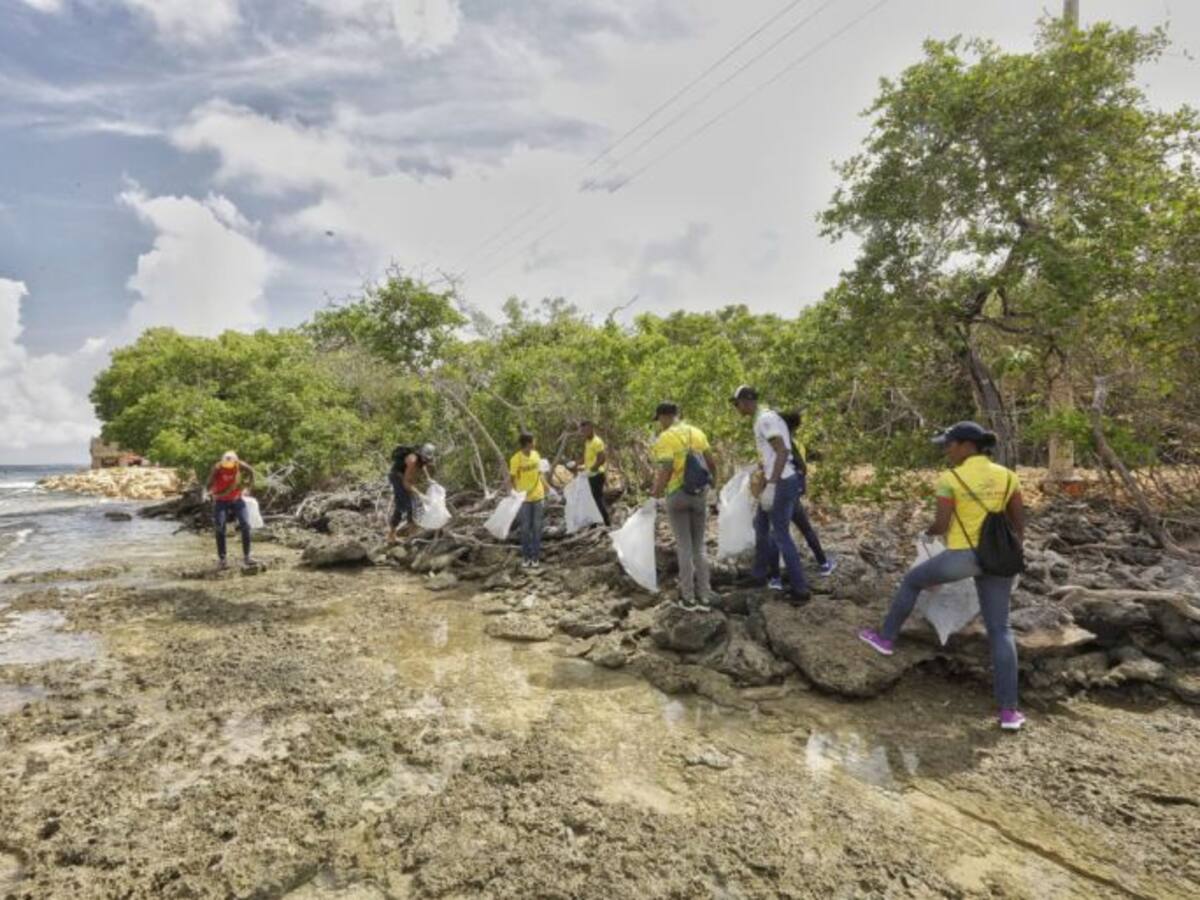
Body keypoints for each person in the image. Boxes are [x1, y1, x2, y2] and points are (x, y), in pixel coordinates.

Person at [858, 421, 1027, 731]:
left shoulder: (951, 478)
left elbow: (942, 524)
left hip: (963, 557)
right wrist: (1008, 550)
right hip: (1000, 559)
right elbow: (1018, 522)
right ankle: (1009, 712)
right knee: (1001, 630)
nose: (947, 450)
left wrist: (926, 533)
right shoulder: (1008, 476)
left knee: (912, 580)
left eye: (949, 445)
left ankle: (885, 638)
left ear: (966, 445)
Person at [732, 386, 811, 605]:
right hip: (778, 479)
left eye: (736, 403)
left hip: (782, 482)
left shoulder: (765, 419)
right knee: (761, 526)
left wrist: (773, 483)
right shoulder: (766, 417)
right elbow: (774, 452)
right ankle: (759, 574)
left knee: (781, 535)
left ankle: (800, 589)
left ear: (746, 401)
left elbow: (782, 451)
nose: (736, 408)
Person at [650, 402, 718, 611]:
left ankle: (688, 597)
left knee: (684, 546)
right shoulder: (697, 433)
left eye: (659, 419)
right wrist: (714, 483)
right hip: (699, 494)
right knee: (699, 547)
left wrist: (656, 492)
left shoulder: (665, 437)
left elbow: (667, 468)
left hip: (677, 495)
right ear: (678, 414)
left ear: (663, 417)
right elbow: (710, 462)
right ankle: (705, 595)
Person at [775, 410, 835, 578]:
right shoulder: (796, 444)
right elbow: (803, 468)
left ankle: (780, 575)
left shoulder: (779, 444)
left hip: (782, 491)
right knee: (804, 528)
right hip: (794, 491)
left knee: (780, 533)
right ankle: (823, 563)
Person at [206, 451, 257, 570]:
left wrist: (249, 485)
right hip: (221, 500)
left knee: (245, 525)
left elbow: (251, 471)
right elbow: (209, 481)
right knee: (220, 527)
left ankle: (247, 556)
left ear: (235, 461)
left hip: (237, 499)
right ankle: (222, 559)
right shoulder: (217, 467)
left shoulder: (239, 465)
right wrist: (207, 492)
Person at [508, 432, 550, 569]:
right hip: (524, 499)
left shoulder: (536, 455)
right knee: (525, 529)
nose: (535, 443)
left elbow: (540, 474)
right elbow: (512, 479)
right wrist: (514, 493)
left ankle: (535, 557)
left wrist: (548, 487)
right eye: (533, 441)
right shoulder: (516, 459)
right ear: (527, 443)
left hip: (538, 496)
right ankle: (526, 558)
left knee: (537, 528)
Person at [387, 443, 435, 544]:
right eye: (424, 458)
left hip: (405, 477)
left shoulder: (421, 459)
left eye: (427, 459)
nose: (425, 460)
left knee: (401, 505)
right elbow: (406, 483)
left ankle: (392, 536)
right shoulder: (412, 460)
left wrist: (428, 478)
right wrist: (420, 494)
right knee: (409, 505)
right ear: (420, 454)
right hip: (396, 476)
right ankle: (412, 536)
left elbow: (423, 465)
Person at [577, 420, 611, 527]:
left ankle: (607, 523)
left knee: (598, 499)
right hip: (590, 475)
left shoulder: (597, 441)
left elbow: (602, 459)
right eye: (582, 431)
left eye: (585, 431)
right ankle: (593, 525)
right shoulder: (588, 442)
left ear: (591, 428)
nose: (583, 433)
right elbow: (586, 457)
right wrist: (576, 463)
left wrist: (591, 469)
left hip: (597, 475)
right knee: (590, 500)